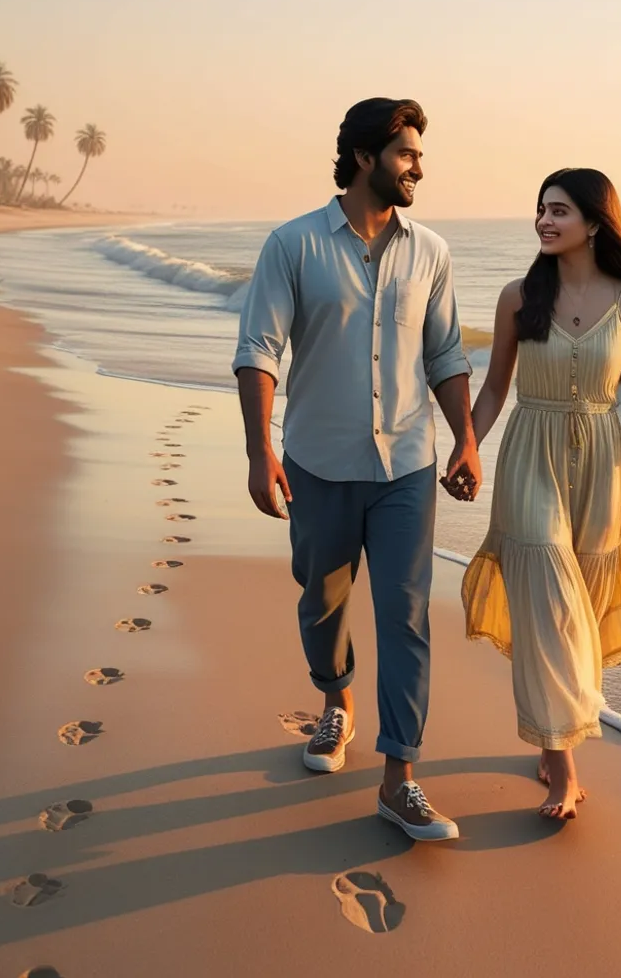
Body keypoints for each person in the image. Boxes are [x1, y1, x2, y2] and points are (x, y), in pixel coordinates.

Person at [233, 98, 480, 842]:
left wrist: (466, 438)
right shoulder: (294, 245)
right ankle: (335, 701)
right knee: (322, 603)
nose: (418, 168)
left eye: (419, 156)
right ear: (367, 157)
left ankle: (399, 777)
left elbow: (444, 355)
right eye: (407, 154)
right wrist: (259, 451)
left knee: (406, 619)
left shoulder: (431, 252)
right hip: (319, 461)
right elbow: (259, 350)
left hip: (407, 462)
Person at [458, 168, 621, 819]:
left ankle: (554, 734)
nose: (544, 221)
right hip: (531, 456)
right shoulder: (516, 297)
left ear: (594, 221)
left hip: (605, 468)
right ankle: (563, 770)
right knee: (550, 604)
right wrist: (468, 448)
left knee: (582, 605)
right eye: (540, 210)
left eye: (558, 211)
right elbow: (495, 387)